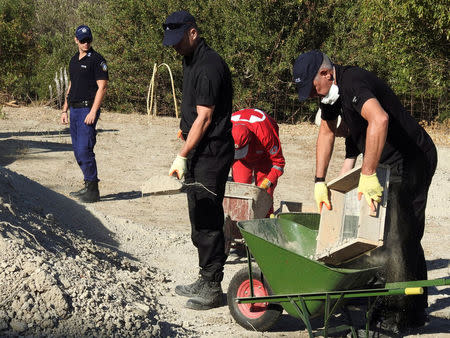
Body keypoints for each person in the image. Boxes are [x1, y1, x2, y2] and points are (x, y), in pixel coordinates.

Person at [293, 50, 437, 334]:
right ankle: (416, 310)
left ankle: (393, 318)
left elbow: (379, 120)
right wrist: (319, 180)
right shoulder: (331, 95)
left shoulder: (353, 82)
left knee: (395, 236)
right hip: (390, 161)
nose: (311, 95)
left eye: (311, 88)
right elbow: (326, 132)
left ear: (325, 74)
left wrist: (368, 173)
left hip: (412, 159)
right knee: (406, 234)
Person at [162, 11, 234, 310]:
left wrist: (181, 155)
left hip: (212, 151)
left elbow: (205, 119)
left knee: (208, 217)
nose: (175, 47)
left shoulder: (208, 65)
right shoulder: (189, 59)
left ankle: (214, 286)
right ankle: (205, 275)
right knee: (197, 215)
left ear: (193, 32)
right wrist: (184, 127)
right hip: (199, 149)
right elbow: (195, 111)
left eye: (179, 41)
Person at [61, 25, 108, 203]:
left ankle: (93, 190)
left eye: (88, 40)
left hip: (87, 109)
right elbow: (72, 85)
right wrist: (64, 108)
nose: (86, 43)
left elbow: (102, 87)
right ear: (76, 40)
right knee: (77, 151)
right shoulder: (73, 60)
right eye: (82, 40)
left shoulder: (97, 60)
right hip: (74, 109)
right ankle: (88, 185)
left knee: (84, 149)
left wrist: (93, 111)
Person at [231, 108, 285, 215]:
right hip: (241, 159)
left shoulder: (266, 135)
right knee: (240, 190)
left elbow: (279, 163)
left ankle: (265, 220)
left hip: (264, 154)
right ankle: (239, 224)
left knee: (264, 194)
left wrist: (268, 181)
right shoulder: (226, 128)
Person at [314, 109, 360, 178]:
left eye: (338, 129)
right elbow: (348, 166)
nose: (337, 134)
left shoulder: (364, 124)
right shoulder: (351, 137)